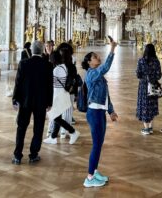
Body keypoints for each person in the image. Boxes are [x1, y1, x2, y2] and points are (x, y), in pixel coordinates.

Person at [81, 40, 118, 188]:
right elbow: (105, 68)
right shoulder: (91, 74)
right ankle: (89, 178)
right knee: (96, 145)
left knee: (99, 144)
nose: (98, 58)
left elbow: (106, 95)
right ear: (90, 62)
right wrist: (112, 49)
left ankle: (94, 172)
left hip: (100, 112)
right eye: (95, 57)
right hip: (94, 113)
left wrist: (111, 111)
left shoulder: (98, 76)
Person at [12, 41, 53, 165]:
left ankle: (17, 156)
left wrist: (15, 99)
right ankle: (33, 155)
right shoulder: (47, 65)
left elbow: (17, 82)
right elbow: (49, 86)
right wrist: (49, 102)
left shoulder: (23, 63)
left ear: (32, 50)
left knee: (21, 127)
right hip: (41, 102)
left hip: (25, 101)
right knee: (38, 128)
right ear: (42, 51)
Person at [43, 49, 80, 145]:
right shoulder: (63, 67)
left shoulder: (56, 69)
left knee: (55, 116)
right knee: (57, 116)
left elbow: (50, 83)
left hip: (57, 94)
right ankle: (53, 137)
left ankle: (73, 132)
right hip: (62, 93)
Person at [136, 43, 162, 135]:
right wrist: (153, 78)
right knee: (151, 105)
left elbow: (138, 74)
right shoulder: (156, 61)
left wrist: (145, 77)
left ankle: (146, 128)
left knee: (144, 105)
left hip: (143, 86)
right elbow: (159, 75)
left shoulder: (141, 61)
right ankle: (150, 127)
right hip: (153, 85)